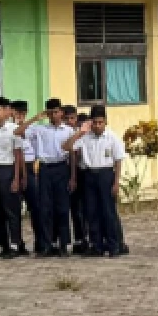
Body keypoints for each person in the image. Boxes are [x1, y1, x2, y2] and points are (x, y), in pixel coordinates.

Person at [62, 105, 126, 257]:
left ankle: (113, 245)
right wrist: (80, 132)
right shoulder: (86, 136)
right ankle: (96, 245)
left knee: (108, 212)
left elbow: (118, 160)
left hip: (106, 175)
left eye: (100, 122)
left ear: (105, 122)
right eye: (95, 122)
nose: (97, 126)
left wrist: (116, 182)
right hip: (89, 175)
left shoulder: (112, 137)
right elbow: (65, 146)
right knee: (91, 211)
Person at [15, 98, 74, 257]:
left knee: (62, 208)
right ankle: (48, 244)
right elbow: (18, 132)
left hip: (61, 168)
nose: (54, 115)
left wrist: (72, 176)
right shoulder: (40, 129)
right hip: (45, 169)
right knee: (45, 208)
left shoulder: (68, 130)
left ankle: (64, 244)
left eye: (56, 112)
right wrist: (35, 118)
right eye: (50, 113)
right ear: (47, 114)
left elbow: (73, 154)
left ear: (61, 112)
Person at [0, 97, 24, 259]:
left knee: (11, 210)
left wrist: (16, 178)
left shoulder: (14, 129)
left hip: (7, 170)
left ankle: (15, 244)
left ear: (6, 111)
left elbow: (18, 155)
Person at [10, 100, 36, 256]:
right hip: (13, 169)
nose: (21, 116)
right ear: (12, 112)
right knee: (14, 209)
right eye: (18, 113)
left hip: (29, 167)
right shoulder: (9, 129)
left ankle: (41, 242)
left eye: (23, 114)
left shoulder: (31, 129)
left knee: (35, 207)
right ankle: (17, 242)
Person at [65, 107, 89, 255]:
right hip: (63, 171)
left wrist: (74, 176)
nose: (70, 122)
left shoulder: (81, 135)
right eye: (67, 119)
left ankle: (85, 238)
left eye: (72, 119)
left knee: (83, 208)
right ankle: (76, 239)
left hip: (80, 172)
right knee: (72, 208)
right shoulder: (63, 134)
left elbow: (76, 156)